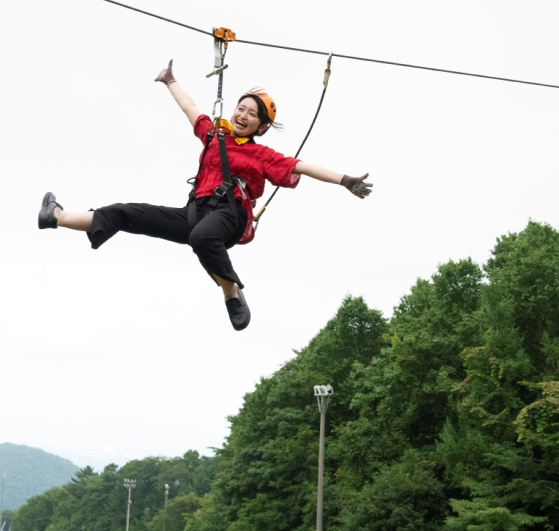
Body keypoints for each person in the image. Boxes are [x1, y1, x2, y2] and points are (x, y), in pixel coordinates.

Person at [38, 59, 372, 330]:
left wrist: (344, 180)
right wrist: (170, 81)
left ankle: (231, 292)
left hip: (230, 216)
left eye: (251, 114)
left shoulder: (263, 155)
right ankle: (57, 216)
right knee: (127, 212)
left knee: (202, 237)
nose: (242, 116)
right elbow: (190, 108)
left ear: (262, 126)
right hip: (195, 212)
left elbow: (303, 167)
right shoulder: (215, 136)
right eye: (241, 109)